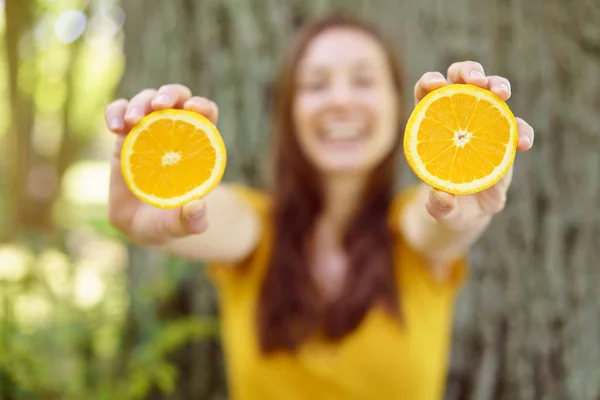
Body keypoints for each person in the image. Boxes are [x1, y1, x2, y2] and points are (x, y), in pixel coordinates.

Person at [105, 14, 534, 400]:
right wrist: (145, 208)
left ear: (398, 104)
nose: (341, 100)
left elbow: (442, 225)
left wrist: (470, 202)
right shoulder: (255, 227)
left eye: (364, 80)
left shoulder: (411, 229)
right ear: (289, 111)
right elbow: (202, 214)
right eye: (315, 84)